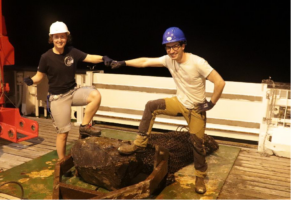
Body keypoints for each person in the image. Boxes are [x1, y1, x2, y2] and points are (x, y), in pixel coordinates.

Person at [111, 27, 225, 194]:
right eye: (168, 47)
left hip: (196, 109)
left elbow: (219, 82)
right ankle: (139, 144)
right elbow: (144, 61)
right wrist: (123, 62)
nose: (172, 51)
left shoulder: (197, 62)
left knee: (197, 144)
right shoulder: (168, 60)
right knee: (151, 106)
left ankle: (200, 176)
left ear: (183, 45)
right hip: (179, 102)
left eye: (175, 46)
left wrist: (211, 103)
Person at [23, 21, 114, 161]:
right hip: (58, 98)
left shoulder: (72, 52)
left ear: (67, 37)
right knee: (63, 133)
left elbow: (89, 57)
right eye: (56, 37)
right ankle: (62, 161)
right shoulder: (46, 57)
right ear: (51, 38)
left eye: (62, 37)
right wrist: (31, 80)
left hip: (73, 92)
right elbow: (39, 77)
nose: (60, 40)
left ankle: (84, 126)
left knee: (95, 95)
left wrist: (103, 58)